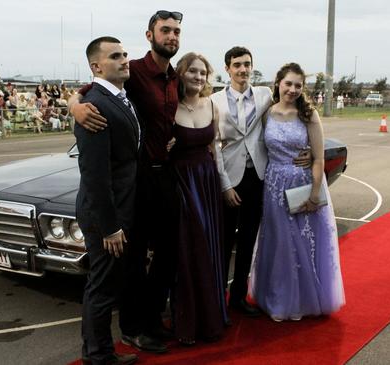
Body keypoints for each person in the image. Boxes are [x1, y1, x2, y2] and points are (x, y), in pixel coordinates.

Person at [71, 10, 184, 354]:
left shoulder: (176, 77)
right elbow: (87, 90)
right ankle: (129, 331)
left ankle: (151, 321)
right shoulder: (132, 72)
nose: (172, 36)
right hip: (138, 182)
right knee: (130, 264)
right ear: (150, 36)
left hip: (166, 177)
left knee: (166, 256)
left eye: (177, 31)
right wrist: (74, 106)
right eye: (165, 30)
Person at [250, 63, 345, 322]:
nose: (292, 89)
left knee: (302, 244)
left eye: (298, 85)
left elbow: (318, 158)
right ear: (278, 82)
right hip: (273, 185)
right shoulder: (267, 114)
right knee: (279, 244)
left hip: (302, 185)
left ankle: (303, 299)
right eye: (288, 83)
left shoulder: (308, 114)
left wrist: (315, 194)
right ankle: (278, 298)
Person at [76, 36, 140, 365]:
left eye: (125, 54)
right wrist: (110, 226)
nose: (125, 59)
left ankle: (98, 351)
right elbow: (95, 174)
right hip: (106, 215)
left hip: (121, 208)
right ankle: (99, 356)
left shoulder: (118, 97)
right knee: (102, 287)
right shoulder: (95, 106)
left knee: (108, 283)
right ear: (96, 67)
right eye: (116, 56)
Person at [170, 52, 227, 345]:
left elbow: (215, 149)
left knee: (207, 245)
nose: (198, 77)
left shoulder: (213, 105)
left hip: (205, 182)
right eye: (192, 71)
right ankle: (188, 322)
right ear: (181, 73)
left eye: (203, 73)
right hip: (180, 182)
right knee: (187, 249)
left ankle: (210, 318)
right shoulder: (169, 106)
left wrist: (223, 185)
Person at [210, 46, 272, 317]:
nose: (243, 69)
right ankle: (217, 299)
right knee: (224, 244)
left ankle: (238, 298)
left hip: (257, 177)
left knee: (248, 242)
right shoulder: (214, 100)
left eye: (247, 64)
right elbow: (213, 145)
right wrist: (225, 185)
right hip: (229, 179)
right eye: (237, 65)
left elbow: (293, 109)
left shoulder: (265, 95)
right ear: (227, 68)